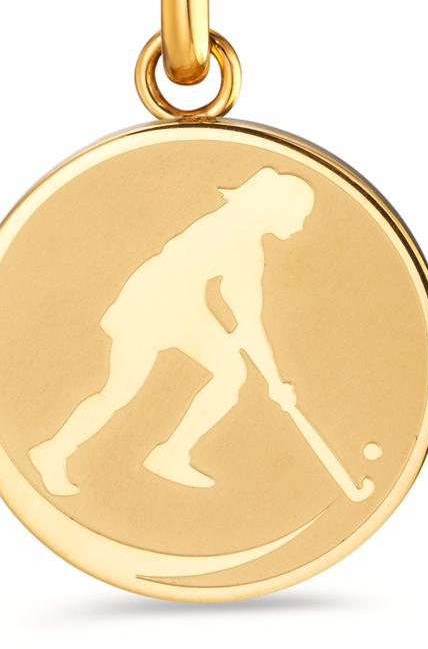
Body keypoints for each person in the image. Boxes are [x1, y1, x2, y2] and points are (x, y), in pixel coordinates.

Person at [29, 167, 315, 495]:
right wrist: (274, 381)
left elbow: (246, 317)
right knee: (117, 393)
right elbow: (247, 321)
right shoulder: (231, 237)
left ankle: (171, 455)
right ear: (277, 209)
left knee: (230, 373)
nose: (300, 225)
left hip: (184, 308)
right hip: (149, 305)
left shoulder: (246, 244)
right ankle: (53, 452)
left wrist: (273, 379)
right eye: (300, 215)